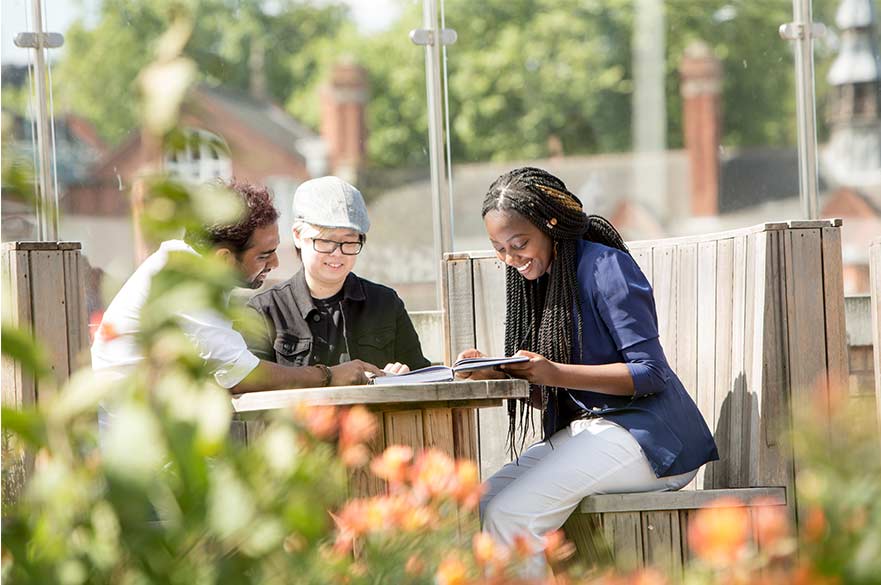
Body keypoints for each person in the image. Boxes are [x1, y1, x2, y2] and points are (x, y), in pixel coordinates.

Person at [458, 167, 719, 576]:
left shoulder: (605, 268)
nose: (510, 258)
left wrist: (554, 372)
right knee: (479, 507)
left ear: (552, 224)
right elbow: (550, 383)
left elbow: (650, 372)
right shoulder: (542, 279)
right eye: (499, 248)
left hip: (652, 438)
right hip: (599, 430)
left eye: (519, 243)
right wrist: (497, 374)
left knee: (512, 517)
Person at [91, 180, 382, 416]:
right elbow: (243, 375)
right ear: (224, 259)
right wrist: (329, 375)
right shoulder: (188, 282)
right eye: (265, 255)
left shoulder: (182, 262)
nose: (275, 265)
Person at [246, 176, 430, 374]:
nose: (338, 253)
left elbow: (423, 376)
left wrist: (403, 376)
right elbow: (253, 388)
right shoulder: (264, 311)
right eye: (326, 241)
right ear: (298, 236)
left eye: (349, 242)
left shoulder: (385, 303)